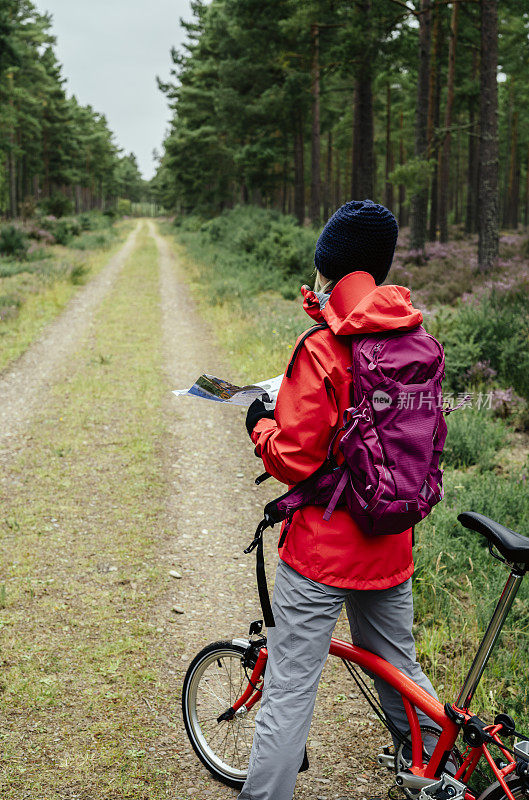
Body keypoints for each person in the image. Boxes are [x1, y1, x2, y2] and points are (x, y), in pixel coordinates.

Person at [239, 200, 440, 800]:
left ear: (329, 266)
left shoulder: (324, 348)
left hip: (323, 552)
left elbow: (294, 458)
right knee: (400, 671)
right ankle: (440, 774)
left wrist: (261, 424)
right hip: (390, 541)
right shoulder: (414, 334)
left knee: (291, 689)